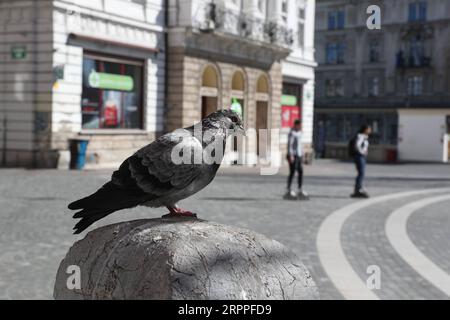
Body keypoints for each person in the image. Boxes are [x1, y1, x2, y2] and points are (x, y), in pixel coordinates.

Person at [285, 120, 309, 200]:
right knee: (292, 172)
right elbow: (290, 145)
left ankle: (300, 188)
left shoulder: (300, 133)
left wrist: (303, 155)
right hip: (293, 155)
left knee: (300, 171)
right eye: (299, 125)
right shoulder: (292, 133)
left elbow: (300, 145)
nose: (300, 127)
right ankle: (288, 189)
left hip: (298, 155)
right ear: (296, 125)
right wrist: (291, 155)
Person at [351, 125, 372, 198]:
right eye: (369, 129)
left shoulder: (364, 137)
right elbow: (357, 145)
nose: (370, 131)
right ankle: (358, 189)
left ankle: (359, 188)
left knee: (361, 173)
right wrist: (363, 152)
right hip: (359, 156)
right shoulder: (361, 136)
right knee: (361, 173)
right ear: (365, 129)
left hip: (360, 156)